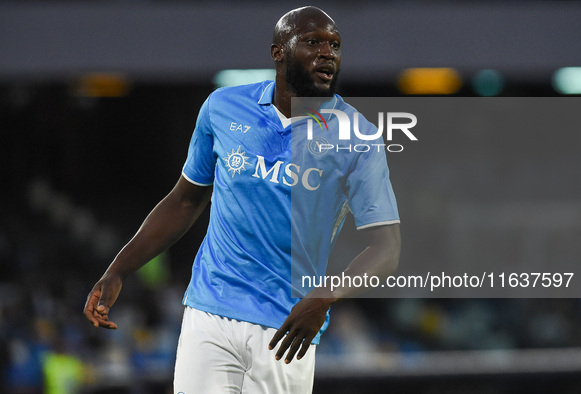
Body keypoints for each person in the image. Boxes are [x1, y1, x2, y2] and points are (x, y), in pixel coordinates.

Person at [84, 6, 401, 394]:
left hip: (286, 326)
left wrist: (323, 299)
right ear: (278, 52)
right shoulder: (222, 108)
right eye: (313, 42)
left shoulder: (359, 139)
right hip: (209, 311)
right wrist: (118, 270)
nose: (328, 53)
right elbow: (184, 200)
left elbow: (386, 247)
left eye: (335, 45)